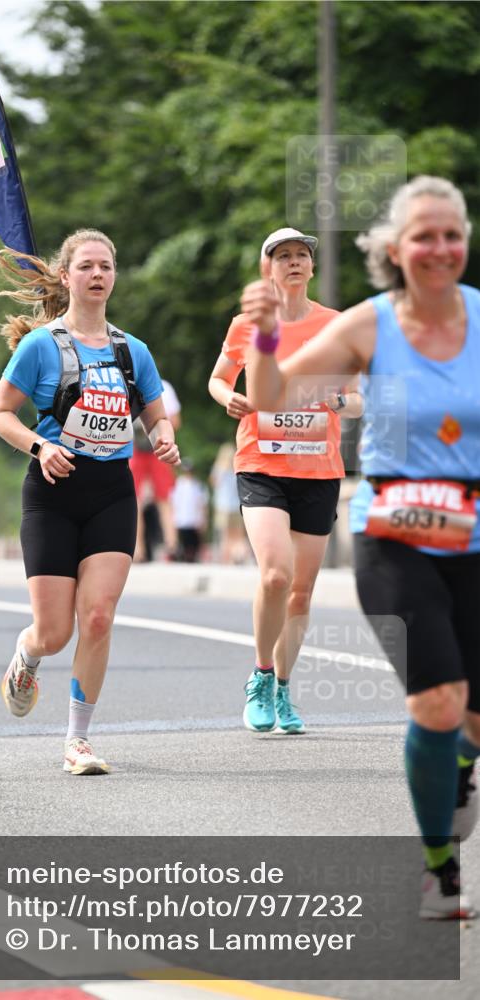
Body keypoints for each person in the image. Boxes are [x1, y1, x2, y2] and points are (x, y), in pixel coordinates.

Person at [244, 177, 479, 920]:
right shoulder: (367, 325)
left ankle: (459, 765)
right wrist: (262, 338)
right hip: (393, 533)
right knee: (437, 701)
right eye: (423, 236)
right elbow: (273, 396)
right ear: (394, 250)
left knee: (472, 721)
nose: (439, 248)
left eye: (451, 234)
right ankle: (438, 867)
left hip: (473, 531)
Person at [0, 229, 179, 776]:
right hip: (52, 493)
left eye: (106, 266)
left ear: (114, 276)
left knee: (97, 618)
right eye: (87, 266)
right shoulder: (40, 345)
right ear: (66, 276)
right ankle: (27, 654)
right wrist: (40, 446)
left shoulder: (132, 350)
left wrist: (163, 436)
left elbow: (156, 415)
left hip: (111, 492)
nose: (97, 275)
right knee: (54, 632)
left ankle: (78, 740)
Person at [209, 227, 363, 735]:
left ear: (312, 268)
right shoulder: (249, 324)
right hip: (261, 463)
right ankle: (260, 675)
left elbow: (357, 399)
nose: (294, 262)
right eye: (283, 256)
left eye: (301, 255)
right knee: (275, 574)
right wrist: (227, 396)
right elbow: (218, 378)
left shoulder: (335, 325)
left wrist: (334, 400)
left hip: (318, 469)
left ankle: (283, 687)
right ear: (268, 269)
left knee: (300, 593)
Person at [130, 378, 181, 561]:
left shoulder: (131, 383)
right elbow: (175, 421)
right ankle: (169, 545)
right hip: (153, 445)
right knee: (160, 498)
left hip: (143, 447)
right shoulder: (164, 387)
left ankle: (139, 549)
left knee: (138, 498)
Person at [209, 441, 249, 564]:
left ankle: (227, 559)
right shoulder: (237, 467)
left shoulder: (218, 469)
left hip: (223, 506)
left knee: (225, 534)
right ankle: (239, 556)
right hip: (237, 505)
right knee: (238, 535)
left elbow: (214, 484)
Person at [171, 458, 208, 562]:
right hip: (181, 519)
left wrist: (203, 519)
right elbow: (173, 502)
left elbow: (202, 504)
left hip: (194, 520)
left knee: (194, 543)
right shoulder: (178, 484)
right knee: (183, 542)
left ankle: (192, 556)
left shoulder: (198, 485)